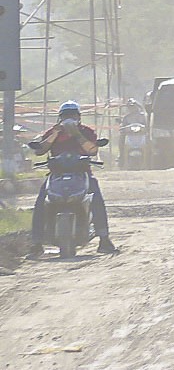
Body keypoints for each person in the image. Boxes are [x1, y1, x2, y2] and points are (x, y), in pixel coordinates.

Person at [28, 100, 116, 256]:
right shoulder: (53, 132)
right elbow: (40, 151)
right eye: (66, 116)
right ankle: (36, 243)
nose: (69, 118)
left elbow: (92, 151)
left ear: (78, 117)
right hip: (57, 174)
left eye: (72, 115)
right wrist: (55, 134)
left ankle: (104, 239)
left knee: (96, 199)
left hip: (82, 174)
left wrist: (76, 134)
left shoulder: (86, 132)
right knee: (41, 201)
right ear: (60, 117)